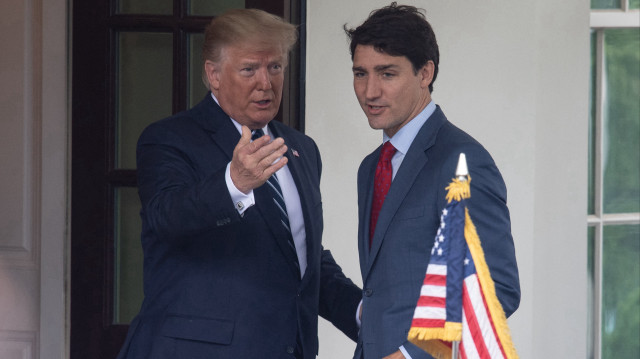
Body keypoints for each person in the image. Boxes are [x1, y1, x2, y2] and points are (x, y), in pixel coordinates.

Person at [116, 8, 361, 359]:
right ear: (213, 74)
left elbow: (300, 258)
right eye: (249, 69)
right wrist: (233, 184)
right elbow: (166, 218)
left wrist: (363, 314)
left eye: (275, 67)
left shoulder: (301, 149)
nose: (266, 83)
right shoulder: (169, 139)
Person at [344, 3, 521, 359]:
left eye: (387, 74)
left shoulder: (461, 161)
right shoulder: (371, 168)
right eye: (361, 74)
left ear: (425, 73)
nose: (370, 91)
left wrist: (411, 354)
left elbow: (496, 288)